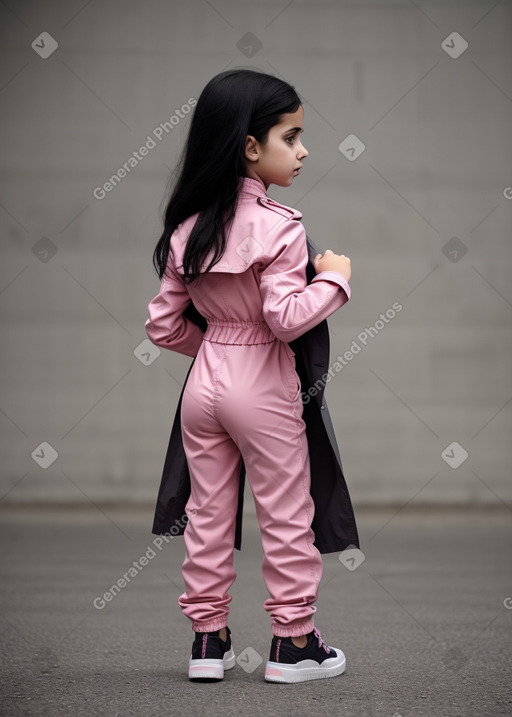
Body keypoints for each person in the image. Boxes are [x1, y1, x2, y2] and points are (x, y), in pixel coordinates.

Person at [145, 68, 354, 683]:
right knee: (287, 513)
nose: (304, 150)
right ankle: (293, 645)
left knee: (208, 513)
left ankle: (207, 643)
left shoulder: (189, 228)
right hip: (261, 380)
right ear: (250, 146)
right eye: (291, 136)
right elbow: (286, 319)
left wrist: (215, 349)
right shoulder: (280, 225)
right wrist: (336, 278)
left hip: (203, 388)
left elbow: (161, 326)